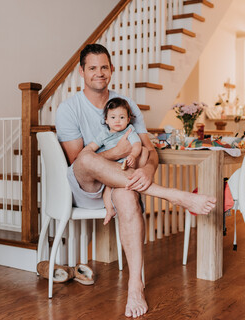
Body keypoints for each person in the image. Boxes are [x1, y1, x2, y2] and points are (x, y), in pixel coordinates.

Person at [55, 43, 216, 318]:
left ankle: (134, 285)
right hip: (88, 187)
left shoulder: (126, 106)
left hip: (121, 181)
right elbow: (79, 162)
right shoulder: (68, 109)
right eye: (92, 68)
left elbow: (149, 149)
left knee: (129, 196)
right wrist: (116, 152)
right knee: (85, 159)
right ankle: (172, 195)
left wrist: (148, 172)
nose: (99, 73)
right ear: (82, 72)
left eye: (104, 67)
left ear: (112, 69)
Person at [82, 97, 149, 226]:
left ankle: (136, 192)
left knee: (143, 153)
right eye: (113, 117)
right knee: (107, 189)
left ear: (128, 119)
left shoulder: (129, 131)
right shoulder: (104, 134)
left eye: (122, 117)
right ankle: (109, 210)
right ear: (106, 120)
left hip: (127, 166)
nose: (117, 121)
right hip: (110, 168)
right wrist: (85, 154)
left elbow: (137, 145)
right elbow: (91, 147)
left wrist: (133, 156)